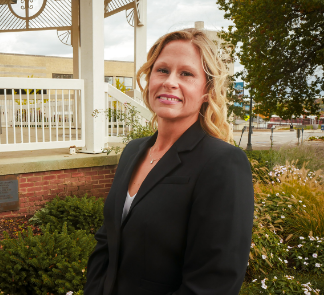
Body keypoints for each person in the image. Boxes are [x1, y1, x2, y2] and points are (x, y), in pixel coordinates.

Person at [83, 28, 253, 295]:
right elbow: (106, 242)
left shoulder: (223, 163)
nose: (170, 82)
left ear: (207, 90)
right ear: (149, 78)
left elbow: (213, 283)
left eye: (186, 74)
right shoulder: (133, 151)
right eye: (162, 70)